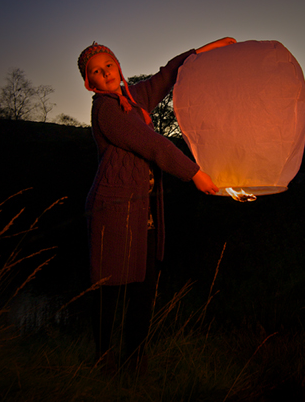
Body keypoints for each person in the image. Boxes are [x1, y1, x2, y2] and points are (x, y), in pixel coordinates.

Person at [77, 37, 235, 373]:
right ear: (89, 83)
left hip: (142, 211)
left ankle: (135, 362)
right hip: (112, 209)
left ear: (118, 66)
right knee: (109, 289)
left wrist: (204, 51)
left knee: (144, 288)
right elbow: (152, 144)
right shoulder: (106, 109)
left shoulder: (134, 99)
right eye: (96, 72)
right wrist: (195, 174)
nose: (105, 73)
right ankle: (102, 363)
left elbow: (168, 74)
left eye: (109, 65)